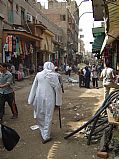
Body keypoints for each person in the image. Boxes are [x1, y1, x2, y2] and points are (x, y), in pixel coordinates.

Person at [28, 62, 62, 144]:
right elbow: (57, 88)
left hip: (39, 97)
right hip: (50, 98)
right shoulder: (54, 76)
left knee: (40, 114)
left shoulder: (39, 75)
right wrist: (58, 102)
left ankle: (44, 133)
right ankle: (45, 135)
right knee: (48, 116)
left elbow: (34, 87)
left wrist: (30, 99)